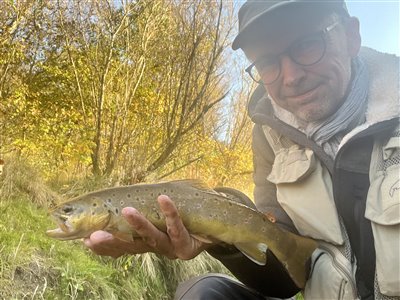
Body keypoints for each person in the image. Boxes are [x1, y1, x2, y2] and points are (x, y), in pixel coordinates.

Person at [84, 1, 400, 299]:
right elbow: (286, 275)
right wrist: (219, 238)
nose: (290, 77)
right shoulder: (270, 136)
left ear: (350, 37)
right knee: (205, 293)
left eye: (306, 45)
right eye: (267, 63)